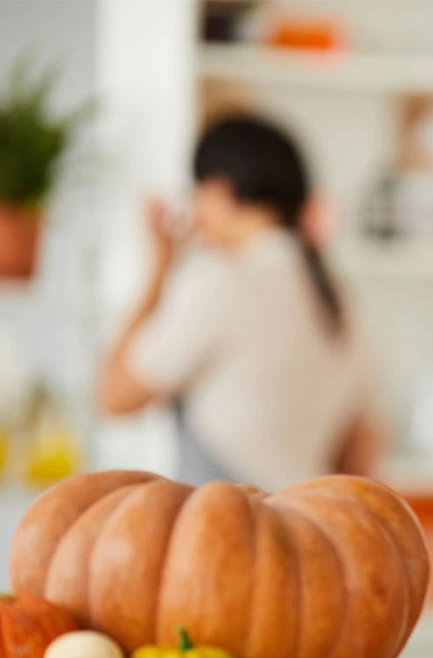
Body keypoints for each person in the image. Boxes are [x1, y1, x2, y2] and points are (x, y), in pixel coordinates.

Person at [97, 115, 380, 490]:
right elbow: (361, 445)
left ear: (218, 189)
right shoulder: (339, 294)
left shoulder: (220, 281)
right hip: (310, 526)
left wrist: (159, 267)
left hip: (226, 534)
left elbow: (114, 396)